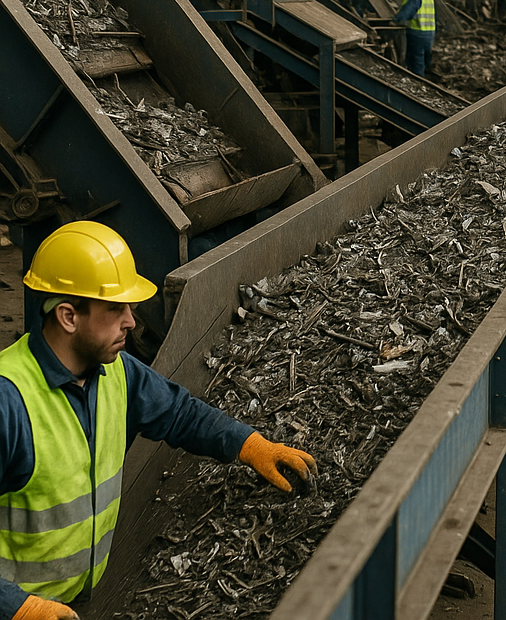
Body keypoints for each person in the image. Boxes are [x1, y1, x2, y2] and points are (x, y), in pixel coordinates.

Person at [0, 221, 317, 620]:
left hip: (68, 604)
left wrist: (248, 444)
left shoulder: (115, 372)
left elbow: (179, 413)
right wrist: (19, 609)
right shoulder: (9, 402)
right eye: (116, 309)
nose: (131, 322)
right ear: (67, 316)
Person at [391, 0, 435, 77]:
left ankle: (417, 88)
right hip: (429, 34)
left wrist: (395, 20)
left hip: (417, 35)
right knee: (424, 62)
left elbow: (407, 11)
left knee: (416, 65)